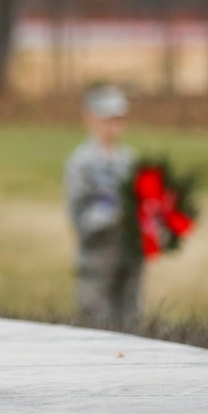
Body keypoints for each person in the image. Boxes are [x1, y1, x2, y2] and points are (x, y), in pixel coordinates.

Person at [64, 84, 139, 329]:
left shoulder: (129, 160)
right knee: (96, 321)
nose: (113, 124)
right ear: (90, 119)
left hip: (129, 253)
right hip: (97, 254)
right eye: (106, 118)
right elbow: (77, 212)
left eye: (118, 118)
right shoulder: (82, 162)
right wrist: (108, 215)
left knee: (131, 319)